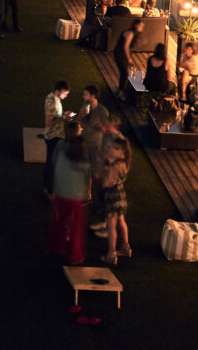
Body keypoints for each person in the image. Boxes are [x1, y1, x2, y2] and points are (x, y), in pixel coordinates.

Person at [47, 123, 92, 266]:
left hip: (61, 195)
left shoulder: (62, 157)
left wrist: (54, 191)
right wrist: (87, 193)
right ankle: (74, 256)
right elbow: (87, 179)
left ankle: (55, 247)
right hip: (76, 198)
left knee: (58, 222)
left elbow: (56, 172)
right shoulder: (85, 163)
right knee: (76, 228)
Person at [97, 136, 132, 264]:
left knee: (111, 226)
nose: (112, 150)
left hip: (112, 197)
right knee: (121, 221)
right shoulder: (123, 163)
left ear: (122, 152)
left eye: (116, 149)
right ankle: (126, 247)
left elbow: (106, 183)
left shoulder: (113, 166)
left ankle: (111, 254)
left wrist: (103, 171)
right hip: (121, 196)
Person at [43, 80, 71, 197]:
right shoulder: (53, 103)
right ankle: (50, 190)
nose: (66, 95)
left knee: (50, 162)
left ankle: (47, 186)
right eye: (65, 93)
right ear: (59, 91)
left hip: (54, 135)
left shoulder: (53, 98)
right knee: (52, 164)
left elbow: (55, 115)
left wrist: (63, 115)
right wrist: (63, 118)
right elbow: (49, 122)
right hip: (53, 136)